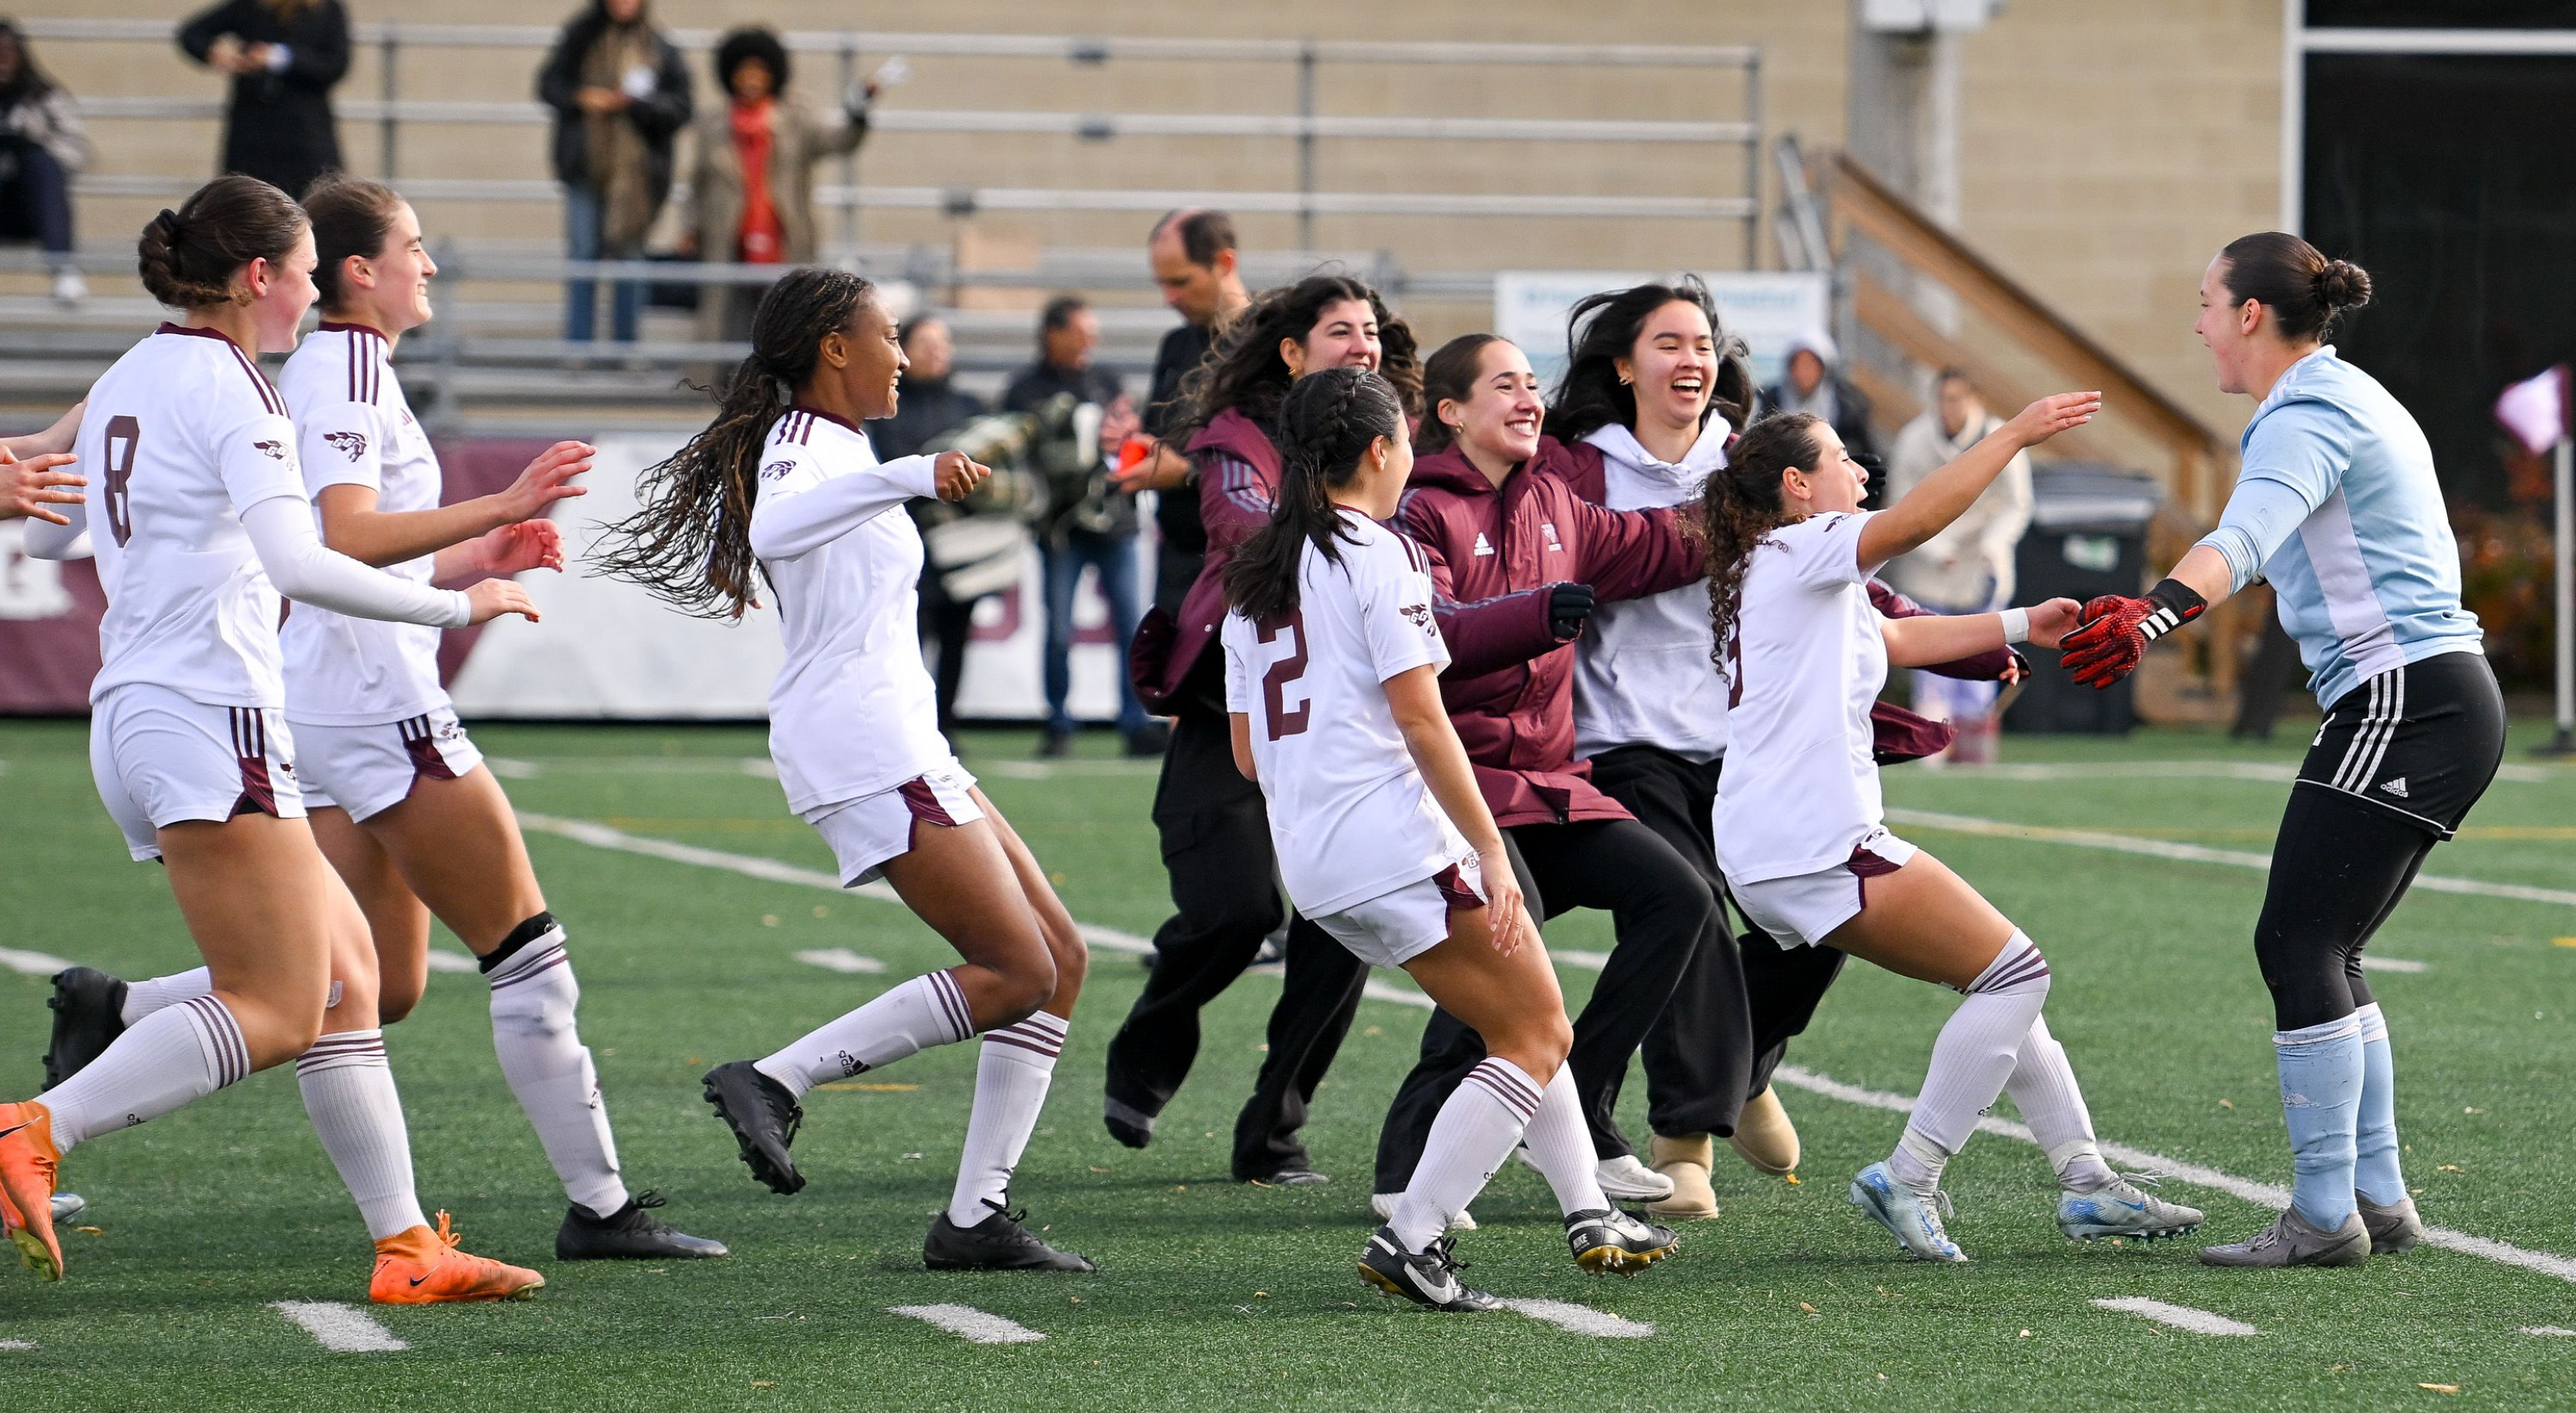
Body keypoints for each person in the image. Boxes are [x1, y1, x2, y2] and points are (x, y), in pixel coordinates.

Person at [42, 176, 725, 1266]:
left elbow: (55, 523)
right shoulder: (300, 372)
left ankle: (395, 1234)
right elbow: (324, 548)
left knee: (366, 984)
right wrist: (474, 569)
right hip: (304, 704)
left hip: (200, 704)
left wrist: (467, 555)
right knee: (448, 972)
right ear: (290, 274)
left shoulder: (157, 367)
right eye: (406, 247)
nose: (426, 266)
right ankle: (599, 1205)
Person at [1, 175, 543, 1301]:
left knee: (348, 980)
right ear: (262, 277)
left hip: (148, 707)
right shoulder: (238, 393)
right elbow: (306, 566)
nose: (312, 293)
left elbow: (44, 499)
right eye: (302, 268)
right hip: (208, 713)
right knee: (279, 1005)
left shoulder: (135, 370)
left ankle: (407, 1251)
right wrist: (463, 607)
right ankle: (32, 1128)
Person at [592, 266, 1095, 1273]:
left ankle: (974, 1217)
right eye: (890, 335)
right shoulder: (804, 449)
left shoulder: (835, 443)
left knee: (1061, 962)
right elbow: (774, 531)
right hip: (863, 741)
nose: (904, 354)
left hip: (904, 736)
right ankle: (778, 1076)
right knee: (1018, 970)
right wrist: (911, 473)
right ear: (835, 346)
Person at [2061, 235, 2505, 1269]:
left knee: (2295, 944)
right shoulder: (2348, 395)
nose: (2199, 322)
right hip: (2432, 693)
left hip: (2407, 696)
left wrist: (2155, 614)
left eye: (2207, 302)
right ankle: (2375, 1197)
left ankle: (2322, 1214)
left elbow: (2250, 531)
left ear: (2252, 315)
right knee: (2327, 946)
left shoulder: (2304, 410)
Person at [1696, 399, 2205, 1261]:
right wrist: (2009, 437)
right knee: (2018, 972)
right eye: (1841, 461)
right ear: (1795, 484)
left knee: (2000, 979)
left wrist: (2018, 623)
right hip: (1810, 840)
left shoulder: (1782, 562)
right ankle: (1912, 1173)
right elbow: (1920, 519)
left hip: (1780, 841)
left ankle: (2086, 1179)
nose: (1860, 472)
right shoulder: (1800, 545)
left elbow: (1890, 636)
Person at [1221, 365, 1679, 1310]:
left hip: (1314, 860)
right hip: (1389, 840)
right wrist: (1490, 847)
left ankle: (1587, 1207)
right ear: (1381, 450)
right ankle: (1414, 1235)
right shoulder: (1375, 551)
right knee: (1538, 1030)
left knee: (1517, 1021)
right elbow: (1425, 721)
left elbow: (1246, 755)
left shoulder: (1257, 567)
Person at [1372, 332, 1717, 1220]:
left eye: (1533, 384)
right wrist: (1530, 614)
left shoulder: (1557, 499)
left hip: (1554, 784)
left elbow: (1666, 544)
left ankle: (1582, 1111)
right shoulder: (1416, 515)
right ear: (1449, 412)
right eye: (1504, 386)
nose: (1529, 399)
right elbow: (1431, 635)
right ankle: (1406, 1160)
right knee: (1502, 954)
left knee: (1678, 898)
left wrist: (1773, 495)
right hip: (1463, 790)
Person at [1106, 275, 1413, 1184]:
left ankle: (1272, 1130)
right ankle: (1148, 1047)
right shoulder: (1236, 440)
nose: (1362, 344)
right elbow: (1242, 525)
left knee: (1345, 927)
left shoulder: (1398, 440)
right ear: (1290, 351)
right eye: (1339, 330)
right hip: (1234, 706)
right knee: (1235, 912)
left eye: (1370, 331)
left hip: (1344, 724)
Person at [1003, 295, 1153, 756]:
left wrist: (1123, 441)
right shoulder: (1025, 389)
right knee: (1059, 631)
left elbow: (1128, 445)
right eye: (1082, 331)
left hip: (1116, 526)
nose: (1092, 340)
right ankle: (1059, 722)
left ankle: (1135, 722)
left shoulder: (1106, 381)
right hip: (1061, 530)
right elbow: (1019, 458)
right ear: (1054, 333)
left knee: (1132, 626)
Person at [681, 27, 873, 344]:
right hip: (728, 237)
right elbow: (697, 182)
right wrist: (690, 227)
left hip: (783, 237)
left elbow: (838, 141)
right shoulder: (713, 127)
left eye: (760, 70)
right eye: (744, 70)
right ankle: (725, 387)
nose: (752, 79)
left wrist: (858, 111)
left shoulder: (796, 120)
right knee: (728, 326)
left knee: (786, 324)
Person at [1882, 368, 2033, 764]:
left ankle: (1974, 751)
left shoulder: (2002, 436)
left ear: (1974, 399)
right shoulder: (1915, 439)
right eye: (1943, 399)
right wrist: (1937, 547)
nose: (1950, 408)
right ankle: (1930, 749)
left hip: (1983, 565)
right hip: (1931, 565)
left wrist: (1993, 544)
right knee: (1930, 658)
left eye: (1957, 399)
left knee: (1983, 652)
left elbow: (2017, 504)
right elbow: (1903, 504)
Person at [1116, 209, 1250, 614]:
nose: (1169, 298)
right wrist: (1130, 440)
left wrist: (1188, 474)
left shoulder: (1274, 346)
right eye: (1162, 284)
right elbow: (1164, 438)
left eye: (1180, 282)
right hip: (1177, 561)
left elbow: (1277, 457)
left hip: (1245, 566)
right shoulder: (1175, 345)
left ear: (1224, 263)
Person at [537, 0, 692, 344]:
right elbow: (549, 85)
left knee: (631, 259)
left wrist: (638, 106)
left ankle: (627, 347)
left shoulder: (659, 46)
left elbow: (680, 107)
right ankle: (578, 347)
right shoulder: (580, 38)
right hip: (585, 168)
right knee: (583, 255)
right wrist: (581, 98)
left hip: (636, 178)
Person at [873, 316, 992, 737]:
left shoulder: (971, 406)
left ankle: (946, 726)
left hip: (963, 543)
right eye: (925, 342)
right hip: (911, 543)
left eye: (943, 341)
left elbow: (993, 471)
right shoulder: (888, 408)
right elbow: (896, 466)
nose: (935, 350)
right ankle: (907, 727)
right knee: (910, 638)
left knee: (957, 639)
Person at [177, 0, 349, 200]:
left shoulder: (326, 9)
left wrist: (279, 57)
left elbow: (335, 65)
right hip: (254, 127)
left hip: (306, 131)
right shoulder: (249, 6)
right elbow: (192, 34)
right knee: (247, 202)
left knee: (313, 201)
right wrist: (217, 54)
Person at [0, 20, 90, 304]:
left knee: (42, 164)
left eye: (8, 53)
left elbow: (78, 152)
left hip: (29, 204)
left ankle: (63, 268)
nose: (4, 61)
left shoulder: (44, 97)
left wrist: (31, 144)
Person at [1762, 328, 1878, 471]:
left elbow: (1866, 453)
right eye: (1798, 364)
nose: (1804, 372)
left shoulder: (1848, 408)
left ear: (1824, 369)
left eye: (1811, 365)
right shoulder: (1769, 402)